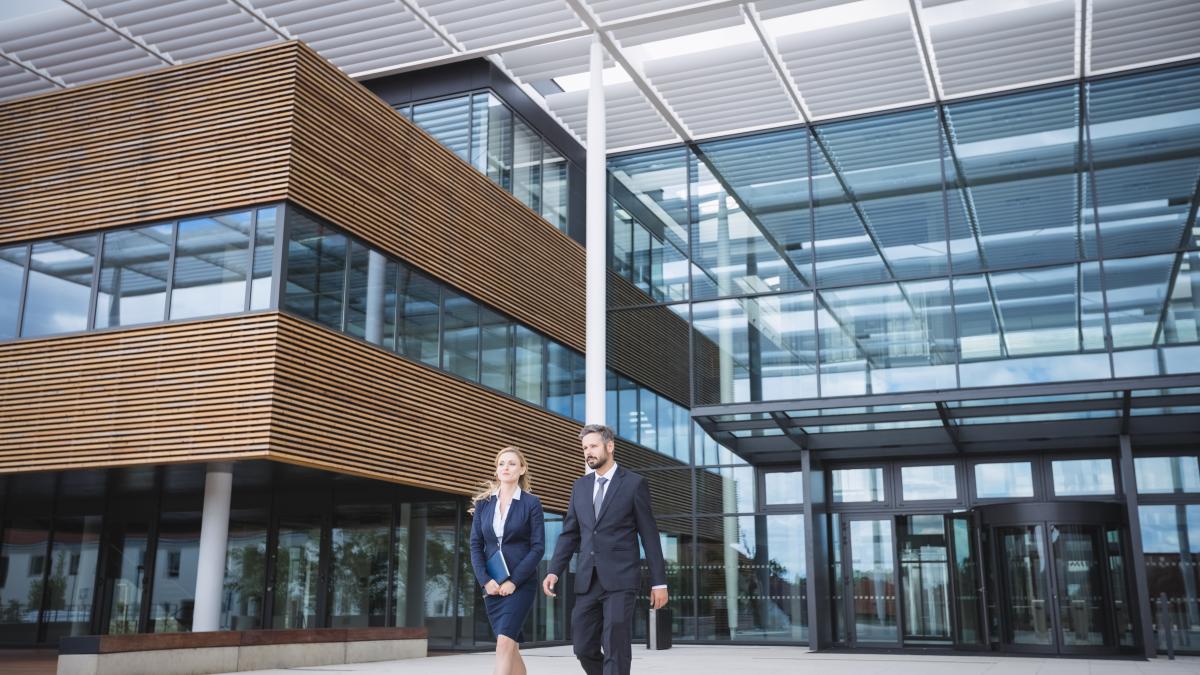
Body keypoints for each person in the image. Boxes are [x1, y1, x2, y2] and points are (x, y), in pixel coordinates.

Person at [543, 424, 668, 675]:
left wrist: (659, 583)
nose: (588, 452)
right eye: (585, 448)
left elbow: (650, 536)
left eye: (593, 446)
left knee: (615, 644)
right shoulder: (580, 487)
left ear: (609, 447)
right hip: (588, 580)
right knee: (582, 645)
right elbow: (570, 534)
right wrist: (554, 570)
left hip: (621, 579)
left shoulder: (634, 484)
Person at [469, 447, 545, 675]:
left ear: (522, 469)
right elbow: (475, 545)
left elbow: (538, 547)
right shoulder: (484, 504)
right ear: (496, 469)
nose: (506, 468)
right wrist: (485, 580)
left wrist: (514, 581)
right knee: (510, 647)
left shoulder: (531, 503)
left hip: (520, 584)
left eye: (512, 463)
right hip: (492, 584)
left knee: (503, 644)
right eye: (501, 464)